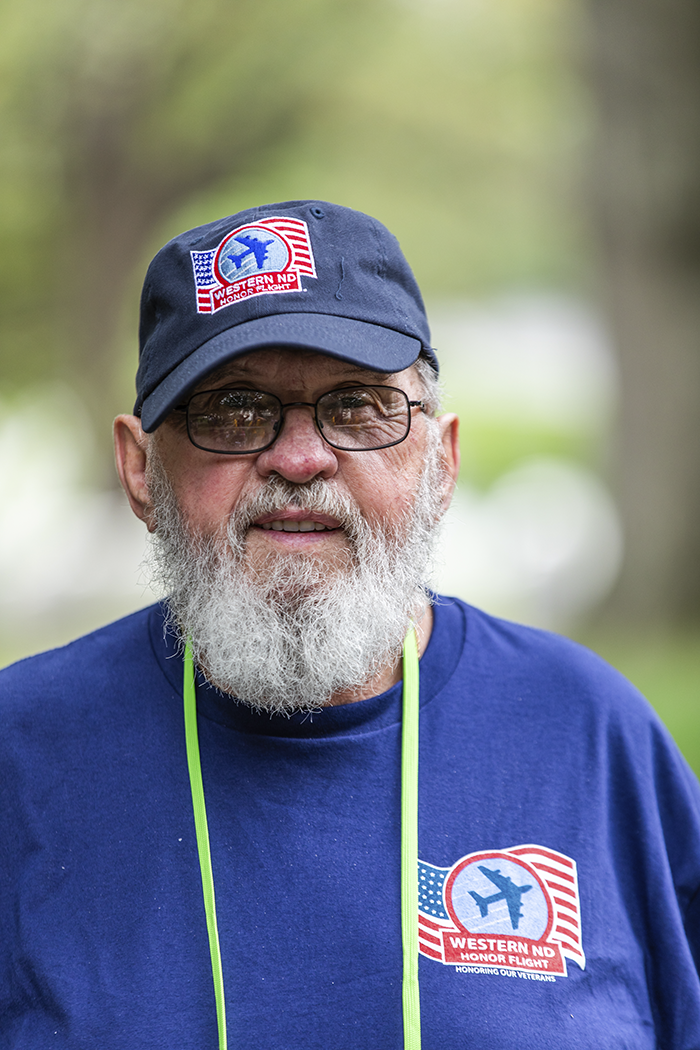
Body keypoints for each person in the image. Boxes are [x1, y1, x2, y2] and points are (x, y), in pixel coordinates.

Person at [1, 200, 700, 1050]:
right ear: (140, 469)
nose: (299, 459)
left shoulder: (589, 732)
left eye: (358, 405)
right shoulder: (22, 750)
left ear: (440, 463)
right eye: (232, 409)